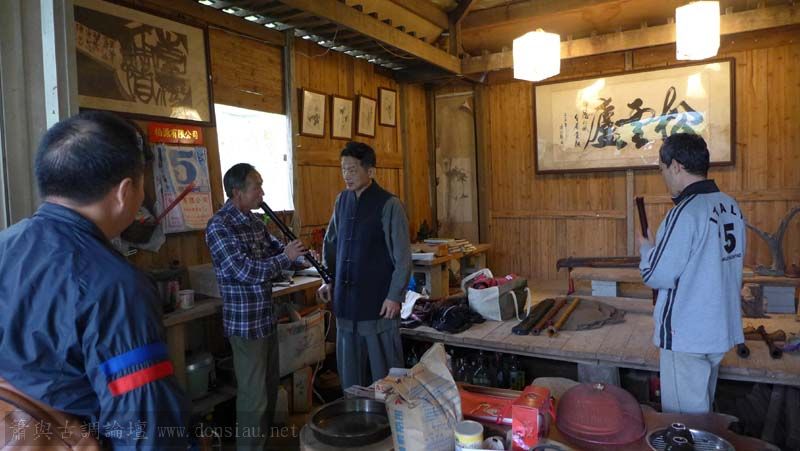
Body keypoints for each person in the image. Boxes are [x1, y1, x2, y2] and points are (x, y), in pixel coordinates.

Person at [0, 111, 189, 448]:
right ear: (125, 191)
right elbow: (144, 429)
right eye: (142, 183)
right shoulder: (116, 287)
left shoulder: (5, 245)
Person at [637, 133, 745, 414]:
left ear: (675, 166)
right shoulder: (730, 206)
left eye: (662, 169)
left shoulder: (685, 212)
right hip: (718, 328)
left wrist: (648, 251)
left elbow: (656, 275)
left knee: (684, 423)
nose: (664, 176)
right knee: (702, 414)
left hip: (687, 334)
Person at [205, 163, 307, 450]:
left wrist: (302, 259)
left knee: (270, 388)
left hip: (265, 318)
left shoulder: (254, 221)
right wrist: (286, 258)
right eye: (256, 186)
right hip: (245, 324)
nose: (262, 192)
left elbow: (276, 250)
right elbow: (244, 270)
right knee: (254, 397)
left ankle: (262, 445)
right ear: (237, 192)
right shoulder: (219, 226)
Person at [318, 142, 412, 390]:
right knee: (350, 374)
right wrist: (327, 278)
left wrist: (395, 295)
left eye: (352, 170)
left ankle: (386, 411)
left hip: (379, 302)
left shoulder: (389, 204)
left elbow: (403, 257)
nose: (346, 176)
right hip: (346, 302)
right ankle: (354, 410)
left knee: (383, 373)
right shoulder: (342, 201)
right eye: (343, 169)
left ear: (370, 171)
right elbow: (330, 243)